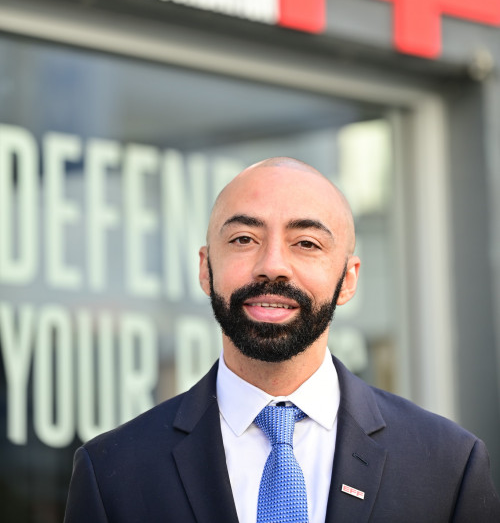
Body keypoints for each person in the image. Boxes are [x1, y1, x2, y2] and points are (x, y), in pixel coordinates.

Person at [64, 157, 500, 522]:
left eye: (306, 243)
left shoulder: (447, 466)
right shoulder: (113, 472)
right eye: (243, 239)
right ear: (205, 268)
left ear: (348, 280)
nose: (273, 265)